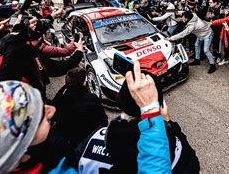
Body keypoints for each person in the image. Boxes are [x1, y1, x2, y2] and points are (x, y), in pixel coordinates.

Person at [63, 62, 199, 173]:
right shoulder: (171, 146)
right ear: (159, 105)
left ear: (121, 102)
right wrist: (167, 123)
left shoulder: (93, 138)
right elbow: (194, 165)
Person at [50, 67, 108, 149]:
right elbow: (103, 121)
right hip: (84, 139)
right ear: (83, 82)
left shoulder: (61, 93)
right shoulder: (91, 98)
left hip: (64, 137)